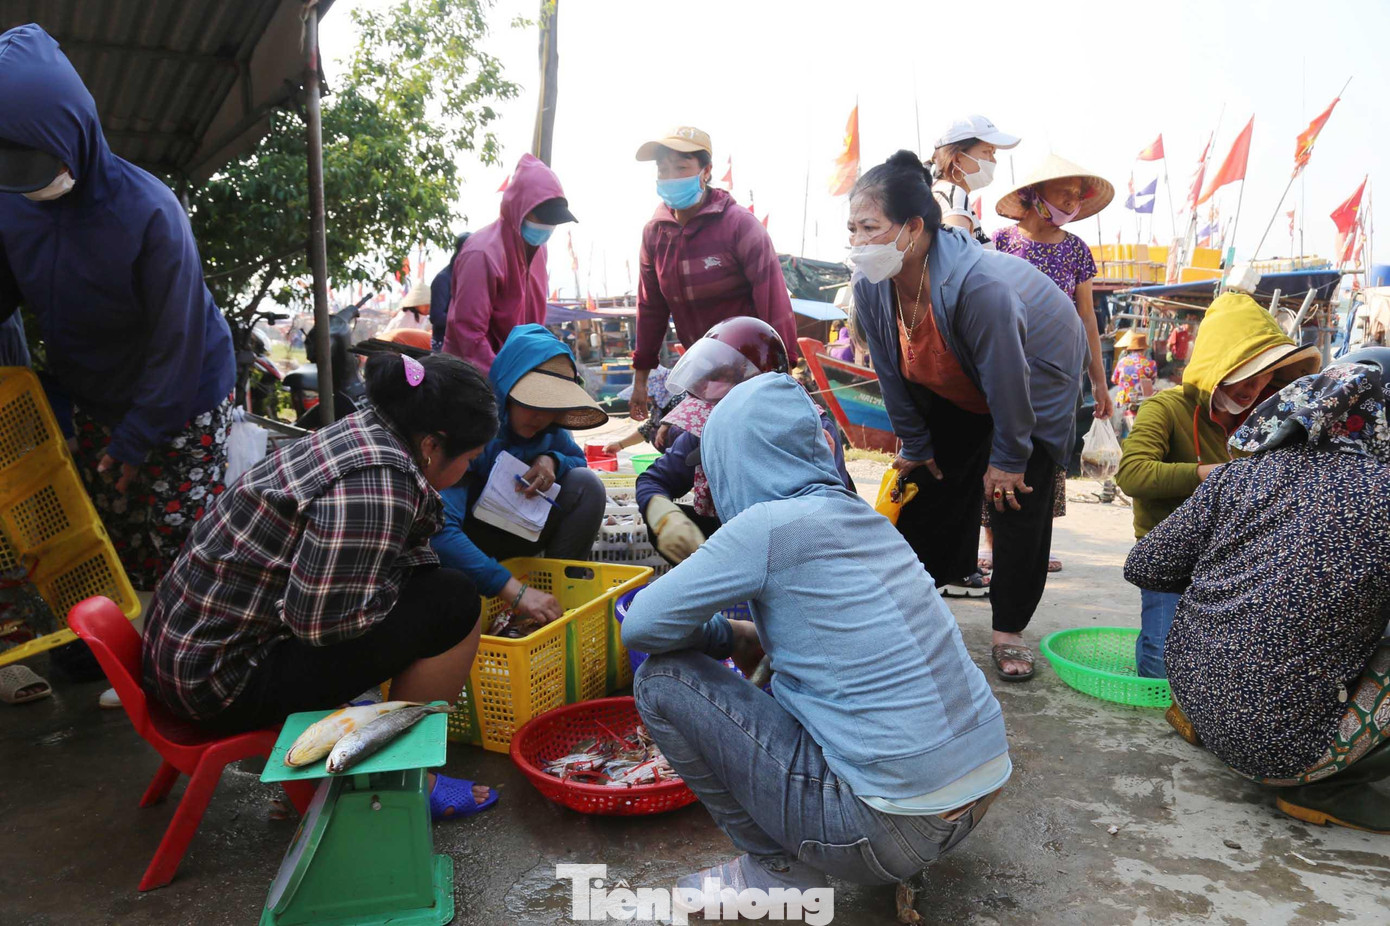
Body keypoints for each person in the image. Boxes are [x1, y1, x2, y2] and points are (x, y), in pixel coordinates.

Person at [625, 374, 1009, 904]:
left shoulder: (767, 526)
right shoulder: (861, 517)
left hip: (890, 832)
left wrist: (720, 634)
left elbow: (641, 625)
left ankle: (777, 874)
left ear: (730, 459)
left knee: (660, 679)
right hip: (980, 792)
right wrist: (748, 636)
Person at [143, 352, 501, 818]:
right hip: (218, 685)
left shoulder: (364, 430)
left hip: (180, 657)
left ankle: (367, 739)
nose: (468, 471)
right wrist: (395, 597)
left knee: (430, 588)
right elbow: (320, 625)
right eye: (470, 459)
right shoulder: (380, 483)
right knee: (454, 602)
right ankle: (404, 776)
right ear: (433, 444)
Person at [0, 25, 236, 590]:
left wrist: (137, 436)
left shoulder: (149, 212)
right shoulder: (13, 207)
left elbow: (176, 345)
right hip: (97, 398)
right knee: (116, 538)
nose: (30, 183)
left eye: (37, 162)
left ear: (73, 129)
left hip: (184, 402)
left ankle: (183, 658)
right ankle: (119, 647)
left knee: (182, 545)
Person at [1125, 351, 1390, 833]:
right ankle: (1327, 788)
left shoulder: (1239, 473)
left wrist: (1240, 580)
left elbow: (1145, 564)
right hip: (1280, 749)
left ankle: (1204, 717)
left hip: (1191, 692)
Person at [849, 151, 1086, 682]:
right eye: (853, 228)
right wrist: (914, 441)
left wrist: (1008, 458)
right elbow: (889, 368)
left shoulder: (982, 286)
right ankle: (913, 610)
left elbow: (1009, 378)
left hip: (1034, 374)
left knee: (1015, 496)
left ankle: (1008, 632)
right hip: (951, 377)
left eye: (870, 227)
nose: (858, 242)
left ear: (913, 228)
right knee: (928, 483)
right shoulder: (871, 283)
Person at [1116, 292, 1319, 678]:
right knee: (1161, 662)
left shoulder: (1266, 422)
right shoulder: (1165, 408)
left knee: (1222, 661)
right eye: (1241, 373)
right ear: (1215, 368)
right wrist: (1211, 474)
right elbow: (1132, 474)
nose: (1251, 387)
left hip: (1233, 560)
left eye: (1262, 376)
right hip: (1169, 558)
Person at [981, 155, 1116, 574]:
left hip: (1058, 371)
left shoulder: (1076, 250)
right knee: (998, 447)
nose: (1072, 201)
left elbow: (1087, 317)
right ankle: (992, 544)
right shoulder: (1001, 241)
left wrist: (1100, 381)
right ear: (1035, 195)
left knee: (1047, 455)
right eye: (1065, 192)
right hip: (1005, 362)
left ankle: (1035, 542)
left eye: (1078, 195)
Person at [635, 317, 853, 565]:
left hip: (801, 549)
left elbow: (828, 516)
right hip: (734, 539)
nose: (718, 414)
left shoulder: (811, 428)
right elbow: (653, 479)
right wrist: (661, 514)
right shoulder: (703, 426)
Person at [431, 325, 608, 626]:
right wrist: (511, 588)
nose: (540, 416)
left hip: (525, 532)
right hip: (470, 546)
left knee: (587, 485)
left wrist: (552, 460)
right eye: (532, 402)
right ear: (507, 391)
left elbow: (578, 461)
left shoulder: (552, 432)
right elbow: (441, 530)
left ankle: (558, 594)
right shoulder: (474, 435)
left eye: (551, 406)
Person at [629, 126, 800, 422]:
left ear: (706, 171)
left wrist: (785, 374)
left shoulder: (739, 225)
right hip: (701, 373)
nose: (670, 176)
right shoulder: (655, 234)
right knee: (684, 445)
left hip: (751, 368)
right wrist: (640, 381)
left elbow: (774, 302)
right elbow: (650, 309)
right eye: (663, 169)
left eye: (681, 168)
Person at [442, 154, 575, 373]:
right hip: (472, 378)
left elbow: (534, 327)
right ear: (520, 209)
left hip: (518, 371)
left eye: (554, 221)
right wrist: (505, 379)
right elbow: (469, 334)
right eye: (544, 218)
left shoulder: (540, 251)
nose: (549, 226)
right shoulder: (482, 253)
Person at [930, 115, 1020, 247]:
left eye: (993, 153)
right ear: (958, 159)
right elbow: (956, 256)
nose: (993, 161)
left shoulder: (944, 192)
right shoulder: (953, 194)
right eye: (986, 152)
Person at [1111, 329, 1157, 438]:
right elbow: (1152, 382)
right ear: (1144, 349)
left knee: (1118, 428)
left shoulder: (1122, 362)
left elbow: (1114, 379)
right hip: (1142, 402)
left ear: (1131, 349)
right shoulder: (1151, 364)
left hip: (1123, 400)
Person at [430, 232, 469, 351]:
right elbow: (436, 317)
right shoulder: (443, 279)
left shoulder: (466, 276)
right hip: (443, 345)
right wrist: (465, 319)